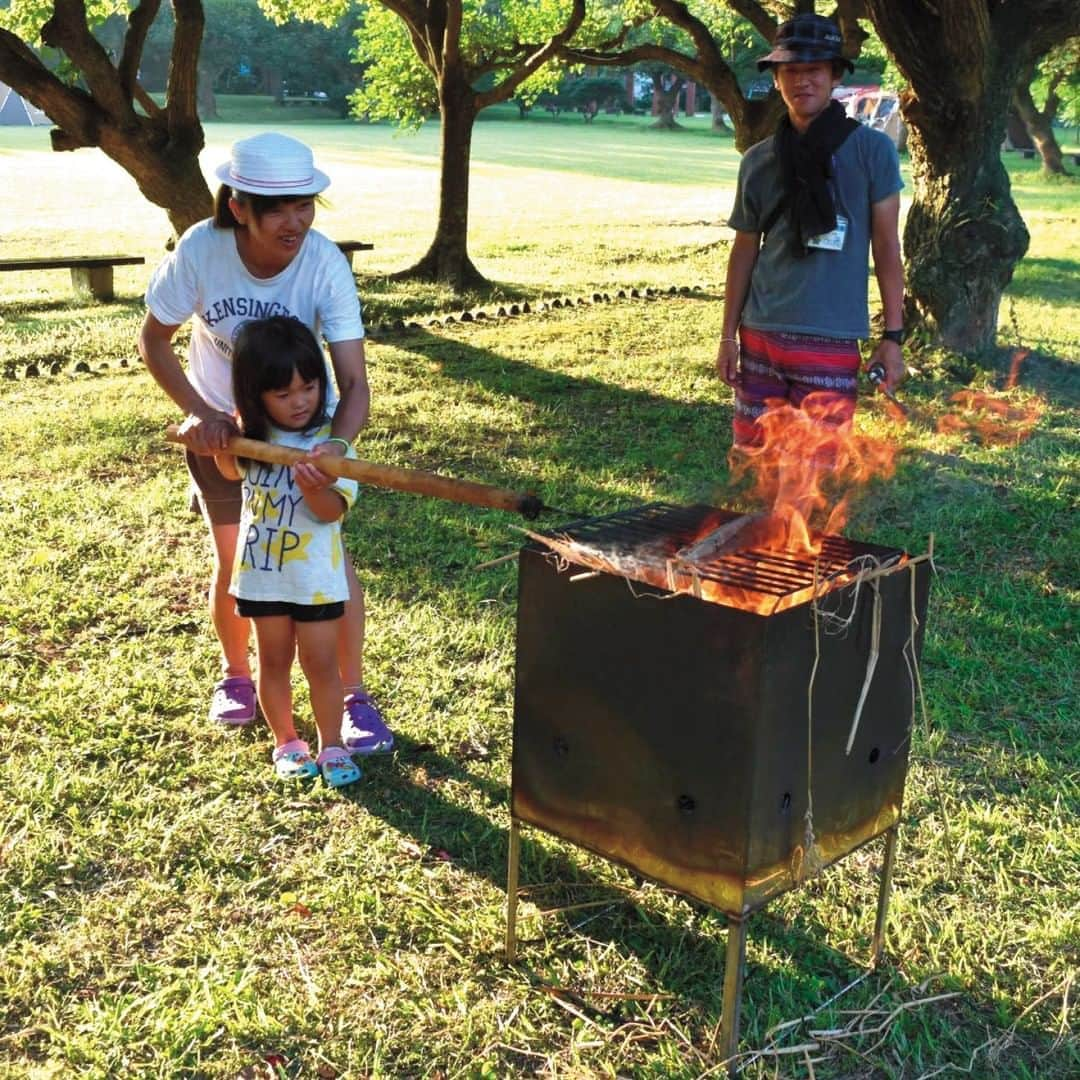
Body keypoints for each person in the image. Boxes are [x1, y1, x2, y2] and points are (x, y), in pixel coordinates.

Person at [138, 132, 392, 756]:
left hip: (305, 435)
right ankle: (238, 677)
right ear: (238, 208)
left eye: (304, 204)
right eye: (277, 207)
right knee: (238, 556)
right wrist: (204, 416)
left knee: (329, 564)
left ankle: (354, 697)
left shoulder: (324, 262)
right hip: (220, 425)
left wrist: (334, 443)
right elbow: (154, 341)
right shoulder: (202, 249)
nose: (295, 221)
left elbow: (354, 380)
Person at [717, 13, 906, 449]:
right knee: (754, 460)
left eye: (814, 70)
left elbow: (887, 248)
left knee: (813, 469)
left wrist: (892, 337)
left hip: (831, 340)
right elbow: (744, 250)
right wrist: (729, 337)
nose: (802, 81)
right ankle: (757, 522)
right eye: (791, 71)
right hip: (761, 335)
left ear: (835, 75)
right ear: (777, 79)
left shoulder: (872, 151)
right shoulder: (759, 160)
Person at [213, 317, 363, 785]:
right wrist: (222, 437)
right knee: (273, 661)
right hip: (262, 575)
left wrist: (317, 485)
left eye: (310, 386)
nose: (300, 401)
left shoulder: (333, 448)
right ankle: (286, 740)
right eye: (283, 393)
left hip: (316, 582)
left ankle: (332, 744)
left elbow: (330, 513)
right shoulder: (253, 440)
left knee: (321, 664)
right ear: (255, 396)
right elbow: (230, 470)